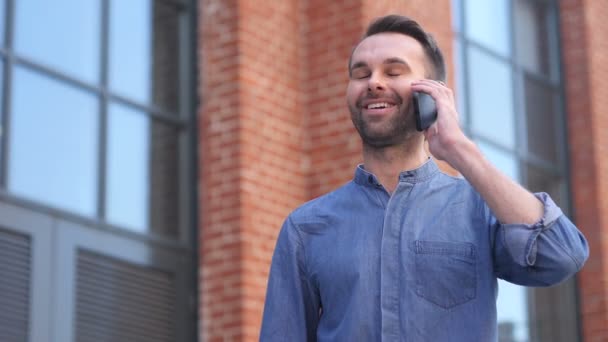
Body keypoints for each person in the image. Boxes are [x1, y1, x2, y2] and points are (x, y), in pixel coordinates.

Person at [260, 14, 589, 341]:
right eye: (361, 73)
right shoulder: (305, 227)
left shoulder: (481, 210)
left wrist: (458, 148)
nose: (374, 82)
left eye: (394, 71)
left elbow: (561, 256)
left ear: (433, 95)